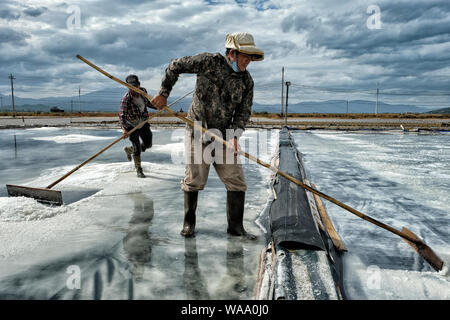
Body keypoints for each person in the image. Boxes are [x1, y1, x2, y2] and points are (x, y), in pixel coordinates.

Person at [151, 32, 264, 239]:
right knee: (195, 179)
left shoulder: (247, 82)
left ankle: (236, 228)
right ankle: (189, 224)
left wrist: (235, 136)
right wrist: (163, 93)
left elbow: (243, 112)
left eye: (250, 57)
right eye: (245, 56)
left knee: (236, 180)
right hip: (197, 131)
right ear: (232, 53)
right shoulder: (208, 62)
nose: (248, 61)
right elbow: (175, 65)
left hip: (223, 136)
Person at [119, 74, 156, 178]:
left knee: (148, 144)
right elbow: (121, 116)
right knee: (137, 148)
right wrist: (124, 130)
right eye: (131, 87)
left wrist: (158, 106)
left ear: (139, 85)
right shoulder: (126, 99)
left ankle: (128, 150)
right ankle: (139, 170)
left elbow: (148, 104)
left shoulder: (143, 92)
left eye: (135, 86)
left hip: (143, 122)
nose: (134, 89)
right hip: (131, 125)